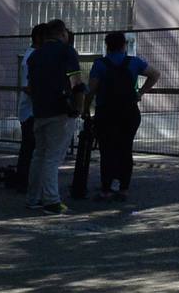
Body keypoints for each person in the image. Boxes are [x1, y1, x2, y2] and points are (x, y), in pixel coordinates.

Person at [81, 31, 160, 201]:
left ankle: (106, 189)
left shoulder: (100, 64)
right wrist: (140, 93)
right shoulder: (134, 62)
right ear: (124, 45)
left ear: (106, 45)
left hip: (106, 113)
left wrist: (85, 109)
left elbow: (91, 90)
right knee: (125, 149)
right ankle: (124, 188)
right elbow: (155, 74)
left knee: (107, 150)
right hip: (129, 112)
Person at [24, 21, 85, 214]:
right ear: (61, 33)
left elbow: (31, 86)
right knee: (52, 156)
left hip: (39, 110)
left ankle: (33, 197)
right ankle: (51, 200)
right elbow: (76, 82)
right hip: (61, 110)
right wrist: (79, 106)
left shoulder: (34, 56)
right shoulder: (67, 52)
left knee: (39, 155)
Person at [10, 22, 46, 191]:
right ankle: (22, 180)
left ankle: (26, 179)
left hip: (34, 110)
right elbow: (27, 86)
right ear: (39, 38)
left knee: (32, 147)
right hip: (30, 111)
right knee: (29, 147)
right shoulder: (31, 58)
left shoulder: (37, 56)